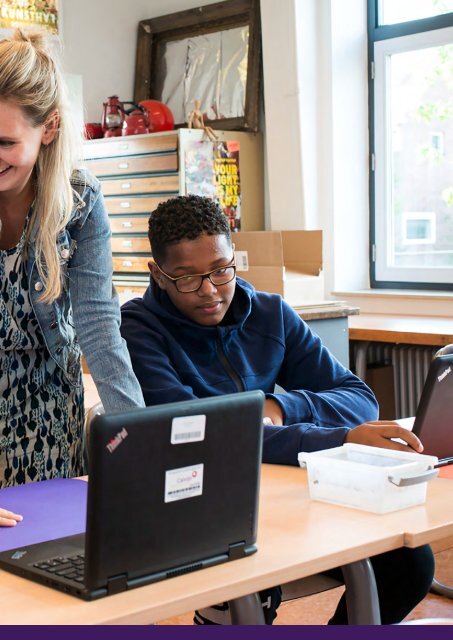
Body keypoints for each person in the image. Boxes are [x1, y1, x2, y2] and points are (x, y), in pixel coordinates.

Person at [120, 194, 434, 625]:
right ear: (157, 275)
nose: (210, 291)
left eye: (221, 270)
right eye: (187, 279)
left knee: (409, 561)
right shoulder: (138, 329)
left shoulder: (270, 312)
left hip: (285, 490)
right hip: (203, 502)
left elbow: (358, 397)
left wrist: (281, 405)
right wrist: (335, 436)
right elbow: (200, 432)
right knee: (250, 582)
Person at [0, 30, 144, 526]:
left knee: (50, 558)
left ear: (50, 128)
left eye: (5, 143)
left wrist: (139, 445)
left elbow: (101, 329)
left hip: (50, 413)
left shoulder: (80, 202)